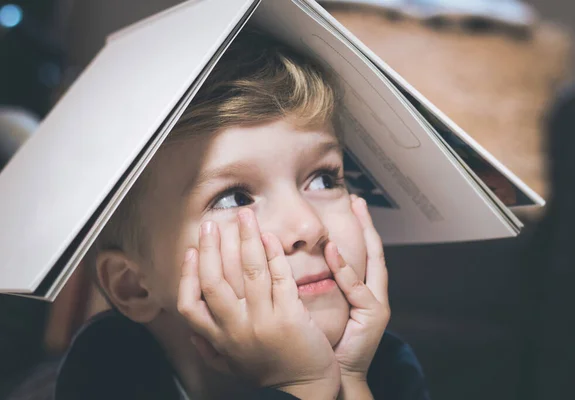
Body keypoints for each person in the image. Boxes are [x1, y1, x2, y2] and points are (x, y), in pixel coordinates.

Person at [53, 28, 430, 400]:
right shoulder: (99, 380)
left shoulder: (389, 371)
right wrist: (304, 387)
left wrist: (349, 379)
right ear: (133, 285)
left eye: (323, 179)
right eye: (234, 198)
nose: (308, 226)